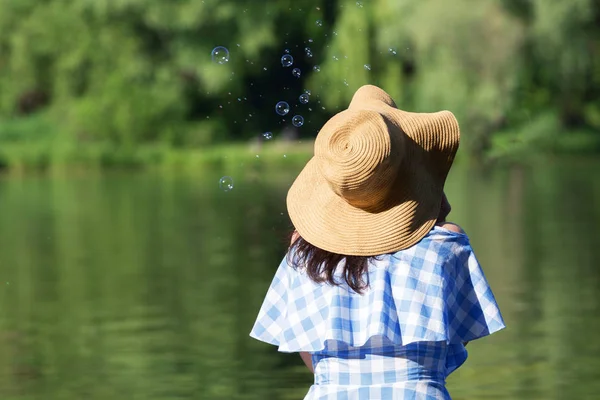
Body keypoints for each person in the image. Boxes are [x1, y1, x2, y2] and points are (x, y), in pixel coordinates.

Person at [250, 85, 505, 399]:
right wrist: (429, 202)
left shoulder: (302, 254)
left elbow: (308, 349)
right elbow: (454, 337)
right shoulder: (446, 244)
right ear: (407, 165)